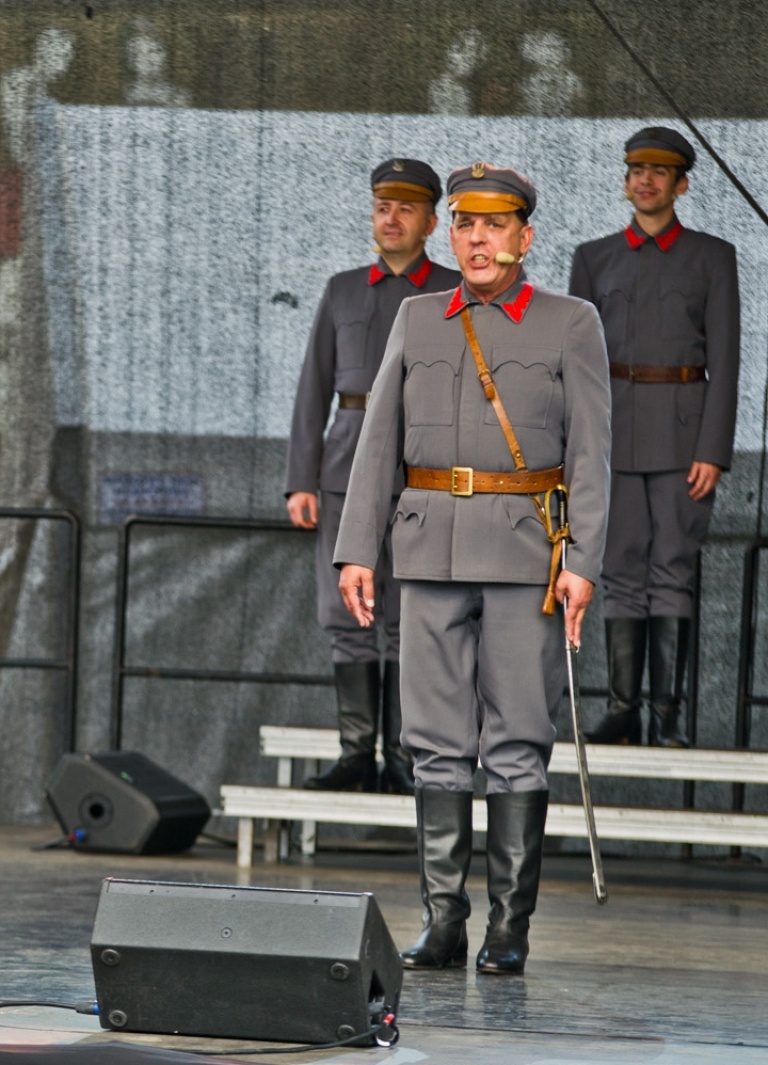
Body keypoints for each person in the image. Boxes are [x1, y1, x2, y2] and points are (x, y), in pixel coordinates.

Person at [336, 163, 610, 975]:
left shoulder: (571, 322)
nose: (478, 238)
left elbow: (594, 454)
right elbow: (377, 438)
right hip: (427, 550)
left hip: (527, 555)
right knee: (435, 744)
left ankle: (508, 928)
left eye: (496, 225)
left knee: (519, 740)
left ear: (526, 237)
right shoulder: (420, 318)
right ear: (448, 235)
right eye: (465, 224)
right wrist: (359, 546)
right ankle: (444, 921)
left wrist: (584, 561)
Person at [286, 158, 461, 796]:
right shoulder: (342, 290)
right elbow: (313, 391)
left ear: (430, 222)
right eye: (382, 206)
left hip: (422, 470)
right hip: (345, 464)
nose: (390, 218)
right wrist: (300, 479)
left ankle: (406, 759)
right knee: (346, 612)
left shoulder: (449, 290)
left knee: (409, 611)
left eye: (405, 208)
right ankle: (357, 754)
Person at [569, 127, 739, 749]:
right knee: (618, 568)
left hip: (683, 434)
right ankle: (622, 710)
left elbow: (727, 357)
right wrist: (579, 447)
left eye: (660, 171)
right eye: (636, 168)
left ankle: (665, 715)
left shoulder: (712, 257)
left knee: (672, 569)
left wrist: (714, 448)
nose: (646, 179)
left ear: (681, 184)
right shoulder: (594, 258)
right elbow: (576, 364)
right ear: (625, 180)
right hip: (612, 435)